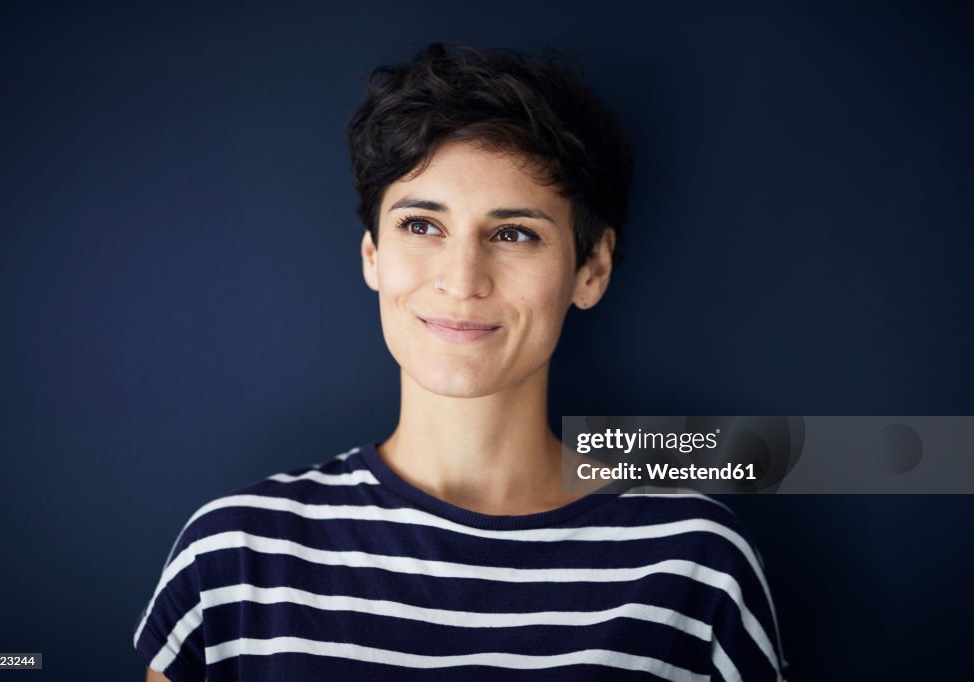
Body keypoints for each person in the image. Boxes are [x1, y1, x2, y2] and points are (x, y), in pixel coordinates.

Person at [133, 42, 788, 681]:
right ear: (372, 255)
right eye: (422, 225)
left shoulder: (696, 563)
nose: (461, 279)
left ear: (592, 269)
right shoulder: (237, 554)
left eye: (514, 234)